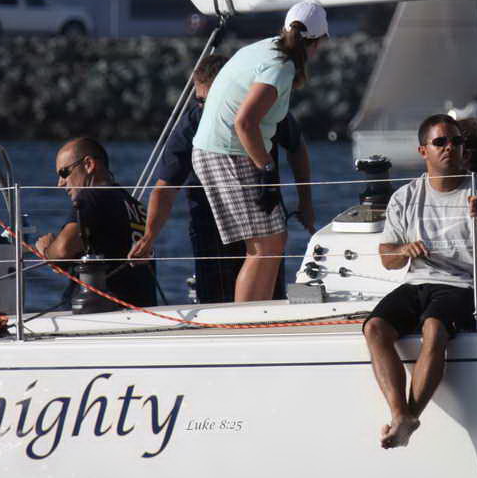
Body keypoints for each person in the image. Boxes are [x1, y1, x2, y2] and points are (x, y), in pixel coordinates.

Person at [364, 114, 477, 449]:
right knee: (374, 328)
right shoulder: (405, 196)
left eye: (456, 141)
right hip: (418, 281)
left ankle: (410, 416)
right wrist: (404, 249)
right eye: (440, 142)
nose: (450, 147)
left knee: (434, 327)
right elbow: (387, 258)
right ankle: (401, 414)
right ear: (423, 151)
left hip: (472, 285)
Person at [128, 54, 317, 303]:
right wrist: (149, 236)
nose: (204, 107)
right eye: (199, 101)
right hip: (210, 222)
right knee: (216, 300)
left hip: (261, 213)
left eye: (210, 99)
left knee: (269, 289)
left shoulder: (260, 109)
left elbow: (296, 147)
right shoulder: (191, 123)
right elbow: (165, 188)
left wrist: (306, 202)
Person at [191, 1, 327, 302]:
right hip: (227, 152)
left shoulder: (264, 48)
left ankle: (258, 314)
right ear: (318, 42)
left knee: (271, 241)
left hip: (220, 151)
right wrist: (266, 170)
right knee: (264, 246)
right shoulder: (281, 67)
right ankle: (248, 320)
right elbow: (245, 123)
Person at [35, 137, 156, 309]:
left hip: (101, 312)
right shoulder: (136, 206)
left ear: (88, 164)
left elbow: (62, 251)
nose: (60, 183)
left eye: (64, 173)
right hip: (140, 309)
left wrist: (46, 249)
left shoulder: (92, 196)